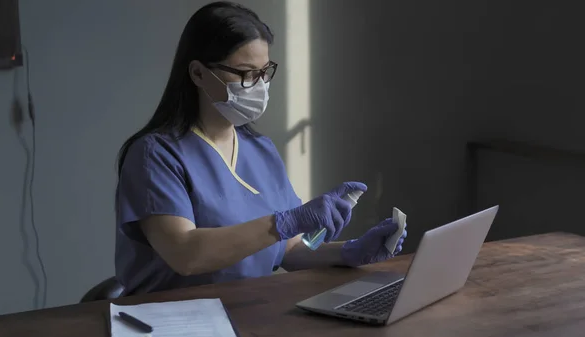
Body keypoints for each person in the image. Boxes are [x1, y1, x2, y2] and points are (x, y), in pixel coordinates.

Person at [114, 1, 407, 296]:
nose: (259, 85)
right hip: (173, 318)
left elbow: (290, 249)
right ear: (198, 74)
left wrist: (349, 252)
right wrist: (288, 221)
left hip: (248, 309)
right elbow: (185, 255)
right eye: (246, 73)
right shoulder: (156, 155)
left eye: (264, 72)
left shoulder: (260, 150)